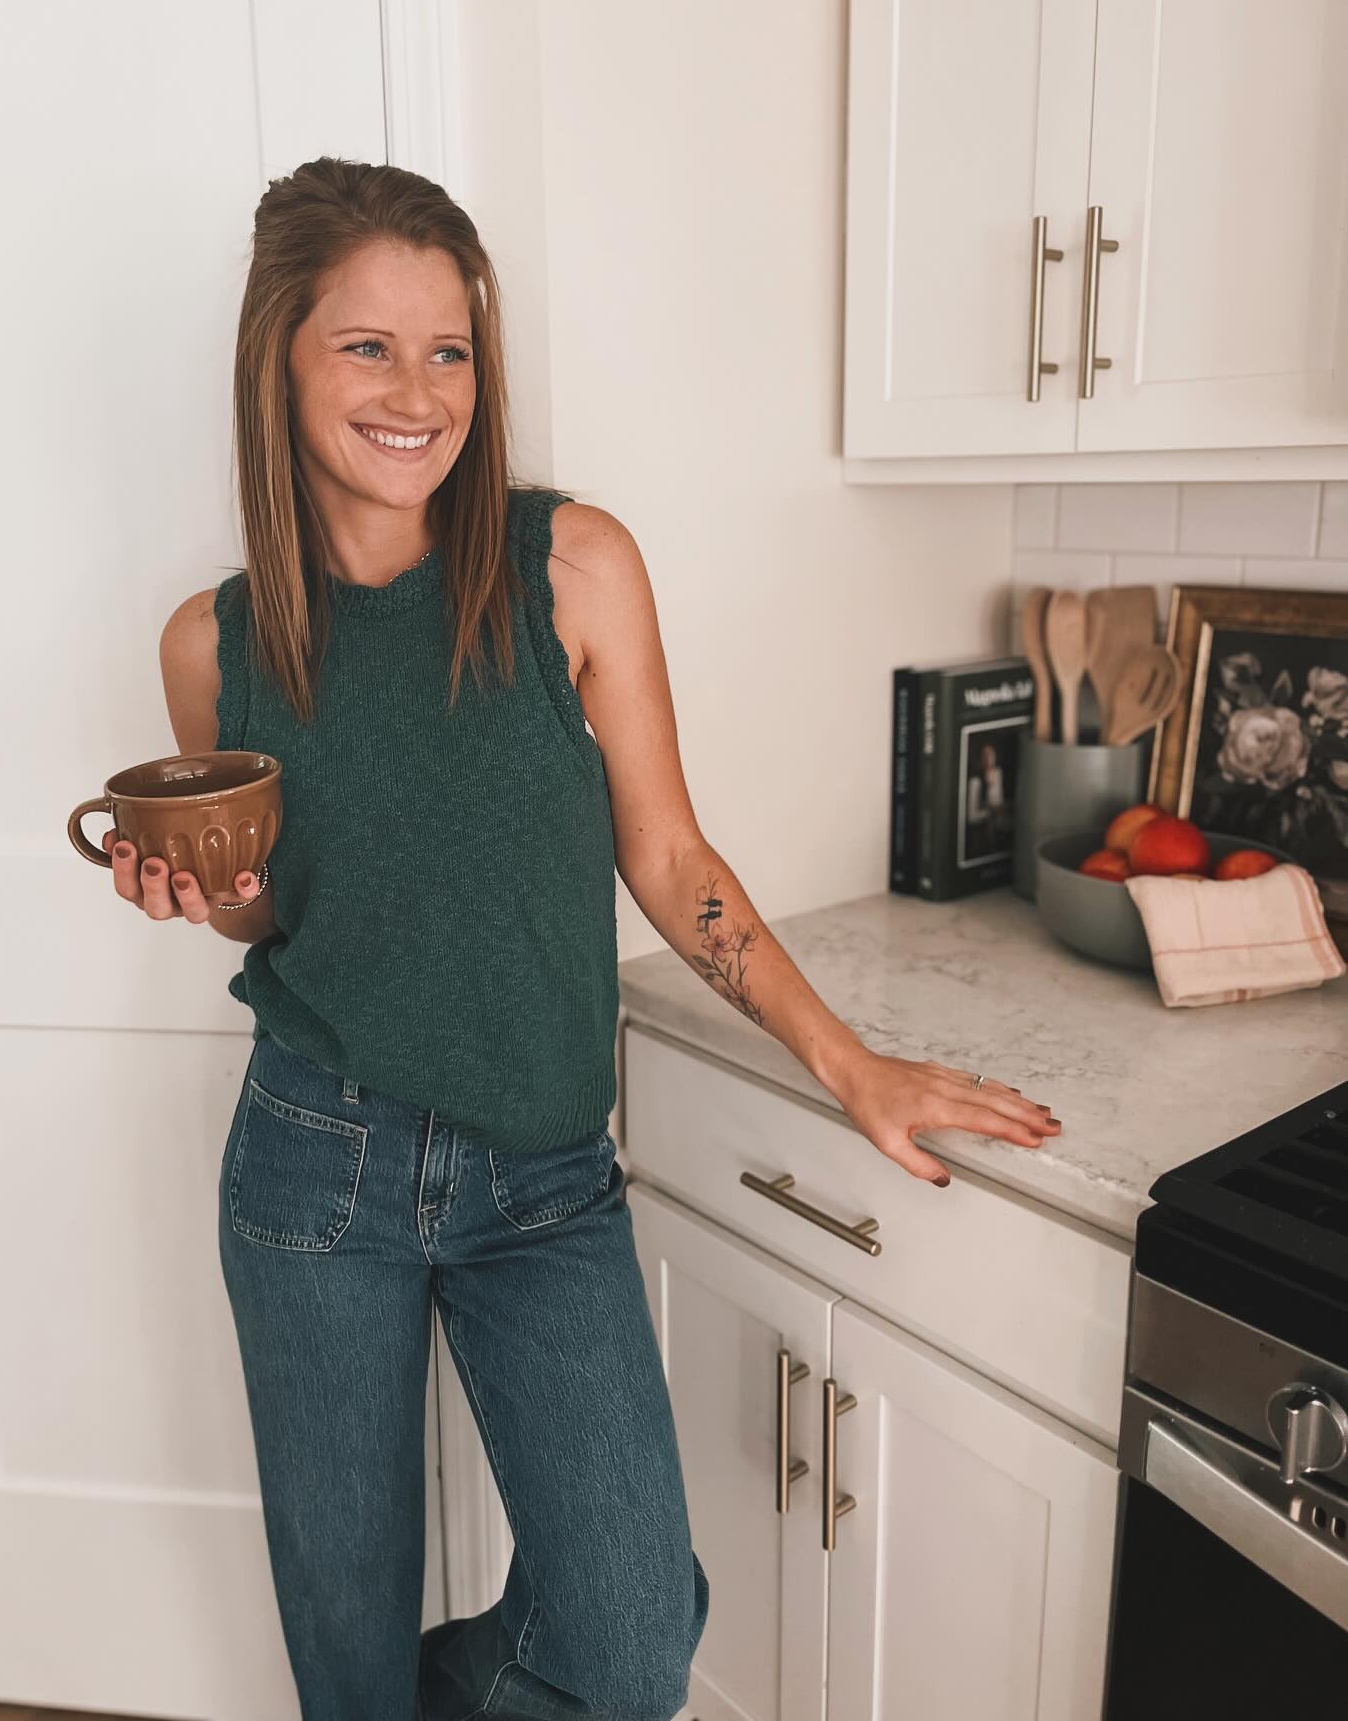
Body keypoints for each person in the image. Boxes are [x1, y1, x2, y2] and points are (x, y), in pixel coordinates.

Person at [103, 157, 1061, 1720]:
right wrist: (205, 893)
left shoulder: (570, 570)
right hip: (311, 1168)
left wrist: (852, 1064)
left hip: (541, 1179)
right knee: (340, 1644)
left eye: (451, 348)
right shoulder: (214, 644)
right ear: (278, 353)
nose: (418, 390)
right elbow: (276, 907)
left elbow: (668, 854)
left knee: (627, 1641)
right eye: (367, 345)